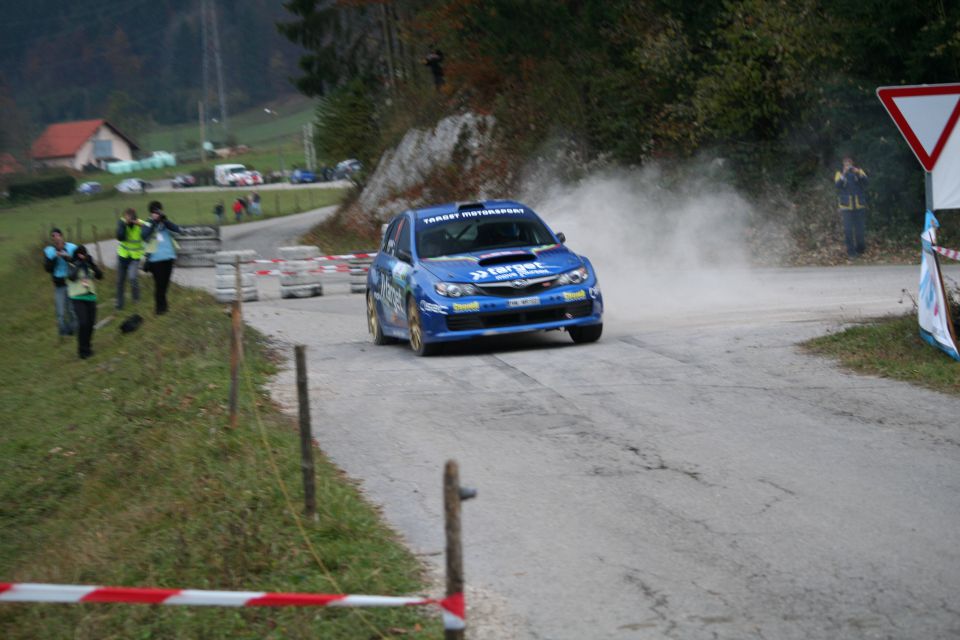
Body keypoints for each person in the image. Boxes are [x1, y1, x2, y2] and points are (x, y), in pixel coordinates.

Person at [141, 200, 182, 315]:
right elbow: (144, 235)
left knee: (165, 284)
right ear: (151, 213)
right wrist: (154, 222)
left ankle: (164, 307)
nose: (157, 214)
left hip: (168, 257)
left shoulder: (164, 222)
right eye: (155, 212)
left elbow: (177, 229)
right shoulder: (148, 223)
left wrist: (165, 220)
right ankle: (160, 309)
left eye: (158, 211)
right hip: (155, 260)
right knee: (159, 284)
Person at [66, 244, 104, 359]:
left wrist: (92, 264)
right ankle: (82, 350)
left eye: (84, 254)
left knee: (91, 324)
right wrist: (78, 264)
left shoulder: (89, 265)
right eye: (80, 254)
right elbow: (71, 277)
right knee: (83, 323)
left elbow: (100, 276)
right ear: (76, 255)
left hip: (90, 297)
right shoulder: (71, 264)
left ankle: (87, 347)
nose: (82, 256)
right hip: (77, 298)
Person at [43, 228, 78, 338]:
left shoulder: (72, 247)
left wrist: (66, 257)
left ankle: (73, 331)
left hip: (71, 283)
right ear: (52, 239)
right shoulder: (49, 251)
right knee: (60, 312)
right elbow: (48, 269)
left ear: (62, 236)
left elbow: (77, 263)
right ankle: (63, 334)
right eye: (53, 236)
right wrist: (55, 257)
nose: (56, 238)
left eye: (57, 235)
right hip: (59, 285)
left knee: (71, 310)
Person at [835, 156, 869, 258]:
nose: (848, 165)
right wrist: (844, 174)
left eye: (849, 163)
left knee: (860, 231)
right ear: (843, 164)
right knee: (848, 231)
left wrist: (858, 172)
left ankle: (860, 249)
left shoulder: (859, 172)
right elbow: (837, 186)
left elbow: (866, 182)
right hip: (846, 208)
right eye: (845, 163)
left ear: (852, 163)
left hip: (859, 206)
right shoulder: (839, 174)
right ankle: (851, 252)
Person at [115, 208, 147, 310]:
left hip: (135, 257)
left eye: (129, 220)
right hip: (123, 256)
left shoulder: (141, 224)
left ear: (134, 219)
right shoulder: (122, 223)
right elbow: (120, 237)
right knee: (120, 281)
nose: (127, 220)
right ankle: (119, 304)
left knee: (132, 278)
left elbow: (151, 229)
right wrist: (124, 225)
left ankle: (136, 299)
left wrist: (142, 226)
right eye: (126, 219)